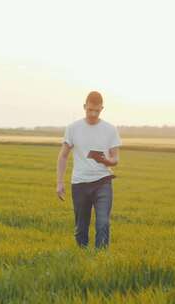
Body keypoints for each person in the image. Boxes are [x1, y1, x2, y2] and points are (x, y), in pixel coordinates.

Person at [56, 91, 121, 249]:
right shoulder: (73, 128)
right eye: (90, 110)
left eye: (96, 111)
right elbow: (63, 156)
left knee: (103, 223)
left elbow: (116, 159)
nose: (93, 114)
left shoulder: (110, 129)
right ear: (84, 107)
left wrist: (107, 161)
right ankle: (82, 256)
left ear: (102, 109)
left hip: (103, 182)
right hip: (80, 183)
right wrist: (59, 182)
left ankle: (100, 260)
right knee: (81, 228)